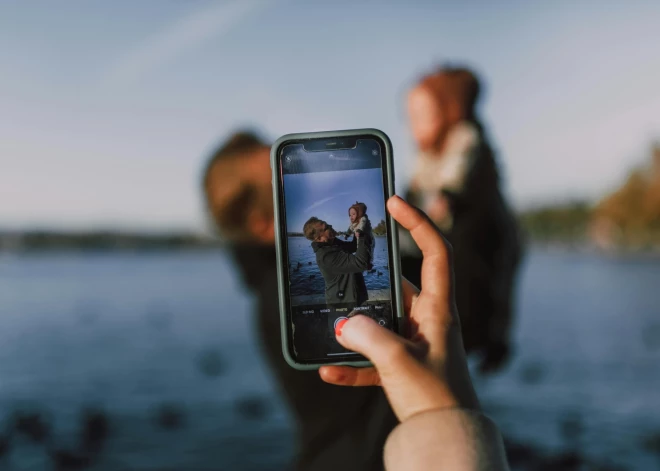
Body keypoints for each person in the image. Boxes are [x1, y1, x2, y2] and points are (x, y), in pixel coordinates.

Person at [202, 130, 398, 471]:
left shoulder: (280, 283)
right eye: (287, 177)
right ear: (261, 222)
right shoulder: (282, 298)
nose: (309, 175)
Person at [321, 196, 510, 471]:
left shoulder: (475, 194)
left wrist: (436, 415)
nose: (349, 216)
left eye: (352, 212)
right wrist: (448, 410)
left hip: (461, 314)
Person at [400, 66, 524, 373]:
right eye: (409, 118)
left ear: (450, 110)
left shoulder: (466, 146)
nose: (412, 127)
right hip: (455, 255)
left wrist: (443, 199)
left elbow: (452, 190)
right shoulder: (427, 159)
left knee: (476, 314)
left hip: (479, 263)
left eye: (422, 116)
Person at [303, 216, 370, 305]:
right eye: (326, 227)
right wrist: (362, 235)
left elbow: (353, 247)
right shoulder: (326, 256)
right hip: (343, 305)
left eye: (327, 224)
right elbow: (361, 263)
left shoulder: (332, 242)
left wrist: (355, 228)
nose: (330, 225)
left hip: (354, 298)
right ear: (319, 239)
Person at [345, 202, 375, 270]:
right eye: (350, 215)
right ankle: (361, 260)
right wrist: (347, 234)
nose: (351, 216)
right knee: (359, 248)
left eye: (353, 214)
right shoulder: (353, 222)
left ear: (359, 213)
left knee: (369, 250)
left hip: (368, 238)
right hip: (359, 237)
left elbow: (362, 225)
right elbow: (350, 228)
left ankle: (369, 262)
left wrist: (359, 230)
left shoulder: (363, 219)